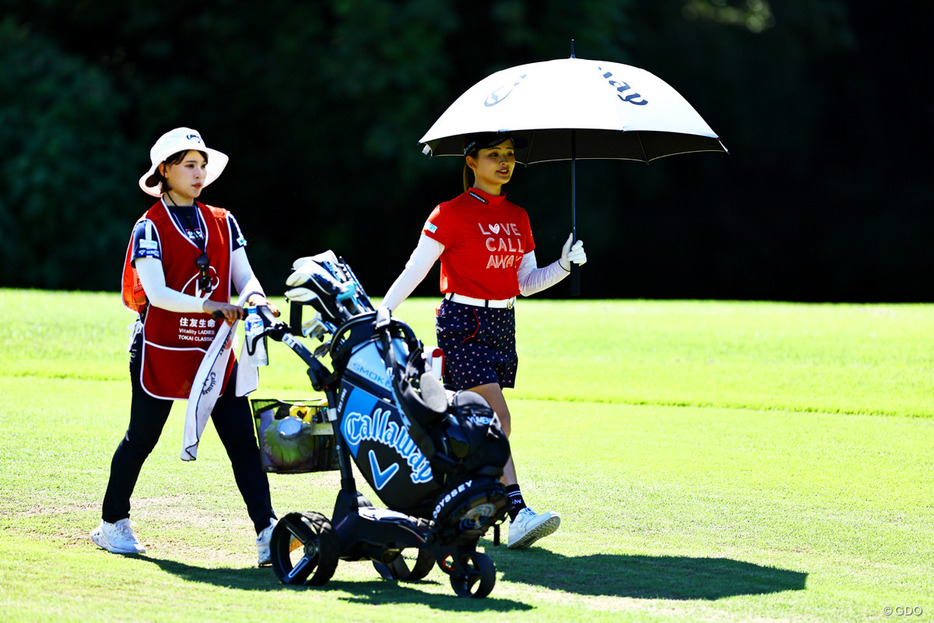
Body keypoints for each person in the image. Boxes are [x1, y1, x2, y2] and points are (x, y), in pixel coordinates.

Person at [379, 132, 587, 549]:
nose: (504, 162)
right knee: (497, 417)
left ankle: (459, 502)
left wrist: (563, 265)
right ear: (471, 162)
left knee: (473, 423)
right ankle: (517, 511)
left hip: (502, 323)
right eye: (494, 155)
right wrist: (384, 310)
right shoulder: (449, 213)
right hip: (463, 322)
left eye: (509, 155)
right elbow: (416, 268)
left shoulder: (519, 215)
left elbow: (525, 283)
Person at [91, 127, 280, 565]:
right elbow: (156, 293)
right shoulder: (148, 226)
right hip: (161, 347)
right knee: (142, 437)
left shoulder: (223, 219)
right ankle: (111, 523)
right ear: (165, 171)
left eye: (202, 164)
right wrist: (213, 305)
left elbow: (244, 275)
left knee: (242, 442)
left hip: (214, 349)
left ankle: (267, 531)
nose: (199, 173)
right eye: (188, 165)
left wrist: (255, 299)